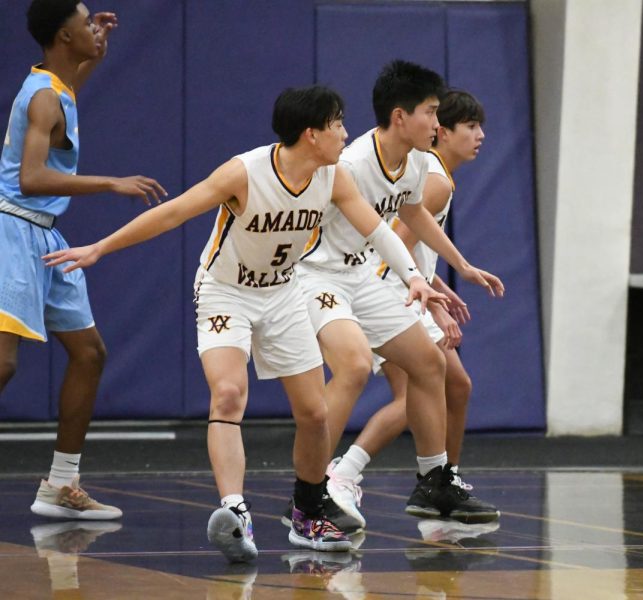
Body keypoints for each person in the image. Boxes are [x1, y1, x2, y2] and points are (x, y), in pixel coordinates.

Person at [44, 85, 446, 562]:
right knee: (229, 393)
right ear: (311, 133)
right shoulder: (245, 172)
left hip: (282, 293)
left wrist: (414, 277)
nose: (344, 132)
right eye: (337, 124)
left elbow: (378, 230)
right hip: (225, 292)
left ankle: (308, 508)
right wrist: (100, 248)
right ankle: (235, 512)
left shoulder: (333, 176)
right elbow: (172, 214)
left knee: (316, 413)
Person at [293, 60, 502, 529]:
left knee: (430, 364)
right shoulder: (351, 164)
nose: (437, 121)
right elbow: (386, 231)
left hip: (366, 277)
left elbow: (412, 217)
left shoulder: (416, 163)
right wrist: (415, 276)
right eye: (431, 112)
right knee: (354, 366)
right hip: (318, 277)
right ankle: (311, 492)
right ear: (400, 116)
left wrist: (459, 267)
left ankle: (434, 480)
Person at [0, 0, 167, 521]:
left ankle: (61, 483)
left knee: (89, 354)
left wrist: (99, 47)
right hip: (12, 228)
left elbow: (76, 77)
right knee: (3, 363)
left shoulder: (60, 85)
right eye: (84, 23)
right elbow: (30, 178)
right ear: (62, 37)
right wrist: (110, 183)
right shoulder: (44, 97)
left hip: (46, 235)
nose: (93, 27)